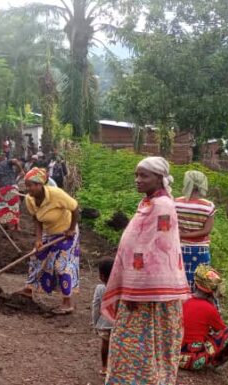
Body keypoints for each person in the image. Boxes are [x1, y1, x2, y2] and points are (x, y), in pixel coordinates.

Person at [102, 156, 188, 384]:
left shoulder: (162, 206)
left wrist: (135, 288)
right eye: (136, 175)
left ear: (159, 178)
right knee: (132, 341)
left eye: (144, 175)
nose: (138, 180)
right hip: (139, 288)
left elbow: (157, 253)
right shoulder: (148, 203)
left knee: (144, 342)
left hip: (150, 293)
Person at [17, 167, 81, 315]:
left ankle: (67, 302)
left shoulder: (56, 194)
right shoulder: (29, 199)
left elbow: (75, 208)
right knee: (36, 257)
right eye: (26, 185)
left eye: (30, 185)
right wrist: (39, 239)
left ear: (39, 184)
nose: (27, 189)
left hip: (67, 232)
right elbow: (37, 220)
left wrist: (71, 229)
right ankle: (29, 289)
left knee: (61, 266)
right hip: (49, 233)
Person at [175, 170, 216, 289]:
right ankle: (198, 307)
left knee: (179, 281)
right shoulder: (208, 206)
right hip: (200, 250)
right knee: (201, 283)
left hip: (179, 248)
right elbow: (206, 231)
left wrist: (181, 235)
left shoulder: (176, 203)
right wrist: (186, 235)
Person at [92, 258, 115, 376]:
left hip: (105, 323)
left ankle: (104, 367)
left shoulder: (100, 289)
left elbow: (96, 307)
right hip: (118, 324)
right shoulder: (120, 289)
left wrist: (95, 323)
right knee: (117, 345)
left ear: (102, 276)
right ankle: (116, 368)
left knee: (105, 344)